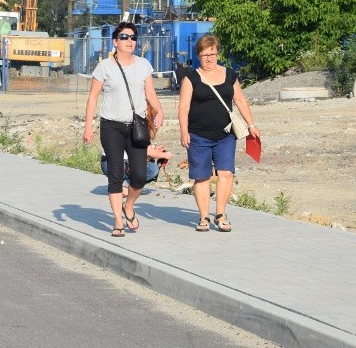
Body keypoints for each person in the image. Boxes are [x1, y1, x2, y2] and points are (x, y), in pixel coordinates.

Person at [83, 22, 164, 238]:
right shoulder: (104, 67)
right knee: (116, 175)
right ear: (115, 41)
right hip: (111, 127)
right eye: (125, 37)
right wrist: (88, 127)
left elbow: (150, 94)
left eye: (133, 37)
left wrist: (159, 111)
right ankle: (118, 221)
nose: (130, 41)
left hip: (136, 126)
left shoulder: (143, 65)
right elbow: (92, 98)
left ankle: (128, 206)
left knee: (138, 176)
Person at [178, 34, 260, 232]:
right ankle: (204, 217)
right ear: (198, 56)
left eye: (212, 54)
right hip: (198, 135)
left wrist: (251, 125)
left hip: (225, 135)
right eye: (205, 55)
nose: (209, 58)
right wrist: (183, 131)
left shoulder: (230, 75)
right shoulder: (191, 77)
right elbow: (183, 107)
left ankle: (221, 214)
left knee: (226, 173)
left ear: (217, 54)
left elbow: (240, 100)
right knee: (202, 176)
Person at [100, 104, 172, 199]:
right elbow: (147, 151)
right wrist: (164, 155)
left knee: (144, 163)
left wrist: (154, 147)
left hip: (106, 162)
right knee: (153, 169)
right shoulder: (139, 123)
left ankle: (118, 184)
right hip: (118, 164)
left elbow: (139, 145)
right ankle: (125, 186)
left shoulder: (129, 119)